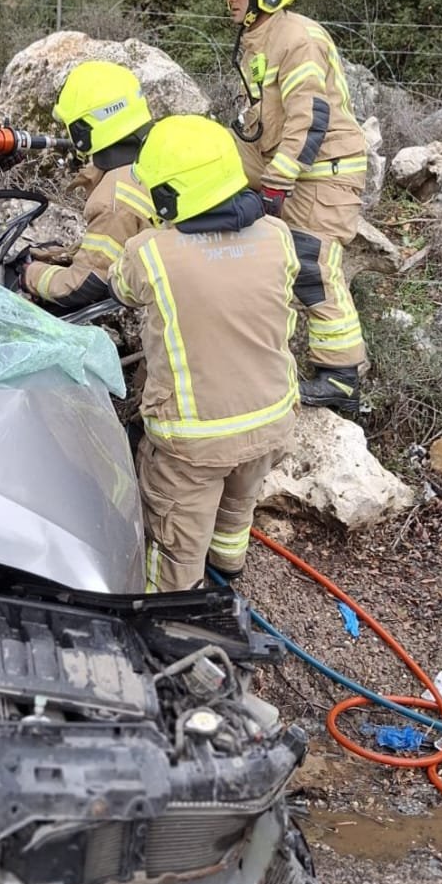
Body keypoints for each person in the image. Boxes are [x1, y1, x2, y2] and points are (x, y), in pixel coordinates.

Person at [108, 115, 298, 593]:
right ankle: (229, 568)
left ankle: (173, 614)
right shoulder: (278, 236)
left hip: (194, 442)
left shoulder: (150, 253)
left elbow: (120, 287)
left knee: (175, 540)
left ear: (168, 194)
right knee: (237, 507)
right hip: (270, 422)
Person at [211, 0, 367, 418]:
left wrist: (276, 181)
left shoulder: (298, 39)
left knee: (313, 266)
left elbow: (309, 117)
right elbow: (269, 116)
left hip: (323, 175)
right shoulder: (264, 38)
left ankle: (340, 377)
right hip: (299, 169)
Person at [23, 60, 156, 312]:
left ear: (82, 131)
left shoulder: (115, 196)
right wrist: (62, 254)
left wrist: (30, 274)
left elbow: (83, 285)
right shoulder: (162, 152)